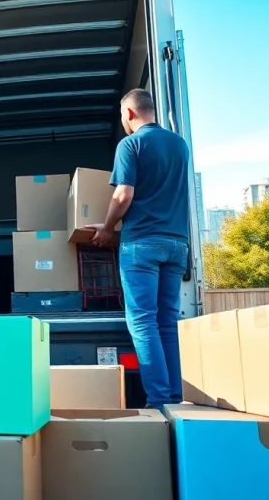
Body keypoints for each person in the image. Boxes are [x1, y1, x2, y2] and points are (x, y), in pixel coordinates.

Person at [87, 88, 191, 412]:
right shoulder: (180, 144)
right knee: (167, 322)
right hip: (177, 244)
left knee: (143, 322)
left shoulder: (131, 144)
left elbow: (123, 194)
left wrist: (106, 228)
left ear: (129, 113)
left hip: (142, 243)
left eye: (122, 117)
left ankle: (158, 401)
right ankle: (174, 398)